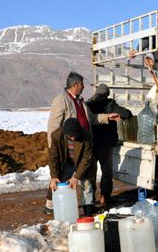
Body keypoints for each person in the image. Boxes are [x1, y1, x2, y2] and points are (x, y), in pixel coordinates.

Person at [45, 72, 120, 213]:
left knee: (86, 173)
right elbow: (53, 127)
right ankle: (50, 204)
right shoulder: (62, 100)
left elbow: (91, 119)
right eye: (82, 84)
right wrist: (55, 147)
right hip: (68, 144)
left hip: (83, 142)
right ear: (75, 85)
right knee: (61, 175)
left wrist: (107, 117)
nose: (84, 86)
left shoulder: (81, 102)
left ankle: (88, 205)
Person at [86, 84, 133, 205]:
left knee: (91, 172)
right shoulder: (109, 104)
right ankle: (104, 197)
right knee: (106, 171)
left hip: (90, 143)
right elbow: (127, 114)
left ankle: (90, 198)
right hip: (105, 144)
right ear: (107, 94)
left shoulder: (87, 104)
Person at [48, 118, 95, 217]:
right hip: (66, 163)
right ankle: (57, 206)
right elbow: (53, 157)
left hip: (82, 163)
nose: (73, 138)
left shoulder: (87, 136)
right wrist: (54, 176)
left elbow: (86, 159)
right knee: (62, 185)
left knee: (86, 184)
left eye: (75, 135)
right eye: (70, 136)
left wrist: (76, 177)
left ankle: (88, 208)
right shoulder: (56, 135)